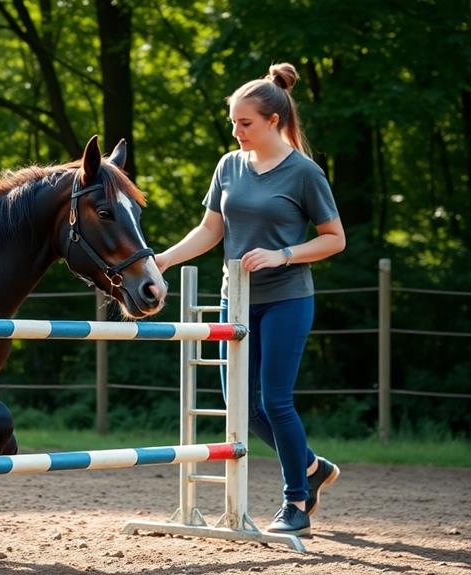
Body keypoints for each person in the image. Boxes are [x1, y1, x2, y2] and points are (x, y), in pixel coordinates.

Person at [153, 62, 346, 536]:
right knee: (239, 406)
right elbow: (210, 230)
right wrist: (164, 260)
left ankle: (295, 503)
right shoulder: (228, 165)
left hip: (287, 299)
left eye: (246, 123)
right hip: (232, 302)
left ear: (274, 121)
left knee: (275, 402)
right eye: (233, 123)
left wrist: (283, 254)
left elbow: (334, 238)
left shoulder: (304, 172)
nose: (237, 131)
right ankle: (311, 467)